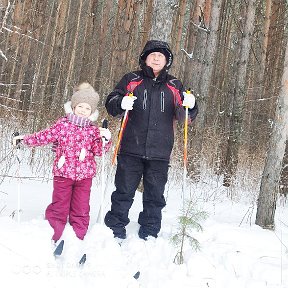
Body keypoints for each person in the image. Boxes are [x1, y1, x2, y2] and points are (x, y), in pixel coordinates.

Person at [104, 40, 198, 240]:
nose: (156, 58)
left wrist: (191, 106)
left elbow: (185, 117)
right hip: (130, 148)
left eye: (161, 56)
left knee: (155, 197)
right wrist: (121, 102)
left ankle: (150, 231)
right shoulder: (131, 79)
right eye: (152, 54)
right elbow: (111, 105)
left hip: (160, 152)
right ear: (145, 58)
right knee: (123, 191)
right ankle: (115, 227)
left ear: (167, 61)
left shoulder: (175, 85)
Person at [13, 83, 112, 244]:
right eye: (80, 106)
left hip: (84, 176)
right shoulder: (62, 125)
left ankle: (78, 236)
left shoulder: (94, 131)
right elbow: (44, 136)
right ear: (73, 106)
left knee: (81, 207)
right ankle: (55, 233)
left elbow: (99, 151)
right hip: (63, 173)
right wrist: (24, 140)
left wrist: (106, 140)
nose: (83, 110)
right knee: (59, 205)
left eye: (87, 108)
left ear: (92, 112)